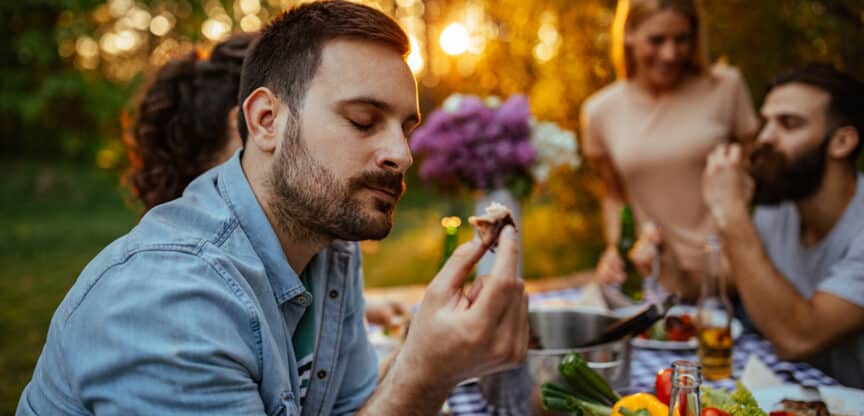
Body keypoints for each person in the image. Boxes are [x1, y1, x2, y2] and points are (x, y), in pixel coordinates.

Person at [17, 2, 529, 415]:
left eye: (405, 128)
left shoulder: (329, 243)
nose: (402, 154)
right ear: (266, 120)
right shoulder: (169, 305)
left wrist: (427, 349)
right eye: (363, 120)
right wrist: (426, 372)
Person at [125, 33, 406, 328]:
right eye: (361, 121)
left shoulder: (326, 250)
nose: (401, 155)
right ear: (259, 122)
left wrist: (358, 310)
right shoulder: (176, 289)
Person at [581, 0, 759, 299]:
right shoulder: (600, 111)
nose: (670, 54)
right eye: (656, 40)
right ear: (629, 33)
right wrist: (617, 249)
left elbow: (757, 173)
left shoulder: (726, 87)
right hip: (653, 283)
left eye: (682, 40)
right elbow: (613, 194)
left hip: (729, 275)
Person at [702, 63, 864, 387]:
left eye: (788, 124)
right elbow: (722, 279)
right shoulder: (779, 208)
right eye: (766, 122)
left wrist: (732, 214)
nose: (764, 138)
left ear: (842, 142)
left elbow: (797, 338)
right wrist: (662, 255)